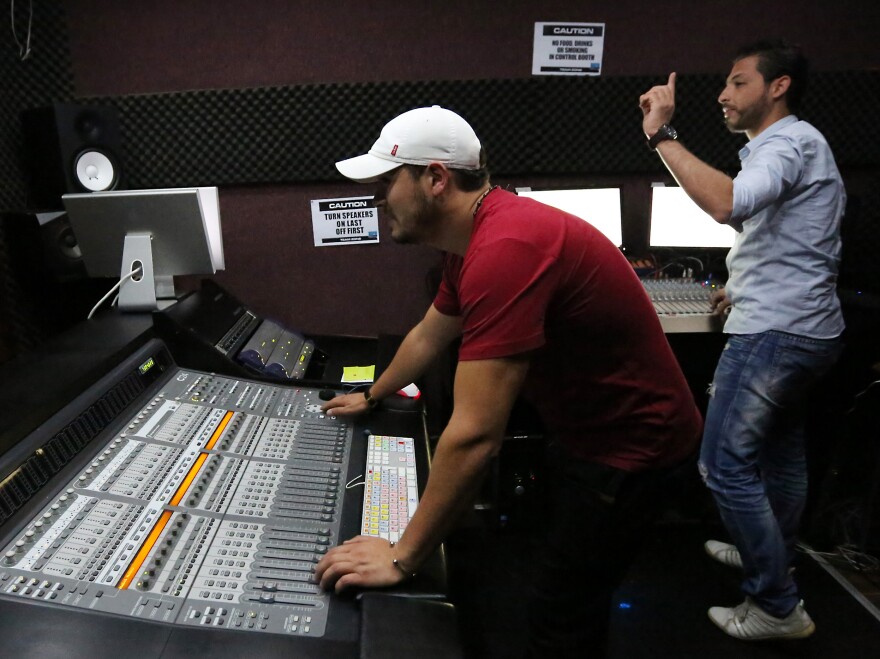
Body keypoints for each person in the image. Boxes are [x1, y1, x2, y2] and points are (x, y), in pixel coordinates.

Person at [315, 105, 702, 657]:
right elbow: (429, 336)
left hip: (632, 452)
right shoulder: (474, 238)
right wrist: (373, 395)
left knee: (562, 616)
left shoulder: (505, 249)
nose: (379, 199)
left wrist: (403, 556)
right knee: (549, 582)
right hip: (584, 437)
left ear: (435, 179)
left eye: (386, 181)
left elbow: (476, 436)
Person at [639, 39, 845, 641]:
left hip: (775, 334)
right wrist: (743, 279)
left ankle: (777, 605)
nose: (724, 95)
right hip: (806, 326)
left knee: (723, 466)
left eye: (738, 83)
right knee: (779, 456)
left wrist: (661, 134)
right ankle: (769, 553)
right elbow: (786, 233)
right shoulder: (786, 147)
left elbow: (728, 204)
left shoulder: (787, 142)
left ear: (777, 87)